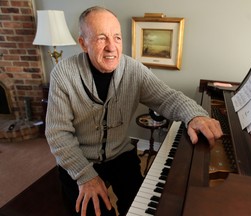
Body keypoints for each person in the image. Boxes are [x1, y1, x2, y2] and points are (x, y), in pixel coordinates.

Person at [45, 6, 223, 216]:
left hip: (120, 154)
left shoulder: (133, 70)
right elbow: (58, 134)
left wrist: (195, 114)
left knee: (141, 206)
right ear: (83, 43)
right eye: (102, 38)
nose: (112, 47)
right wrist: (86, 176)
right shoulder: (63, 74)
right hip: (80, 159)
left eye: (117, 38)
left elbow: (167, 97)